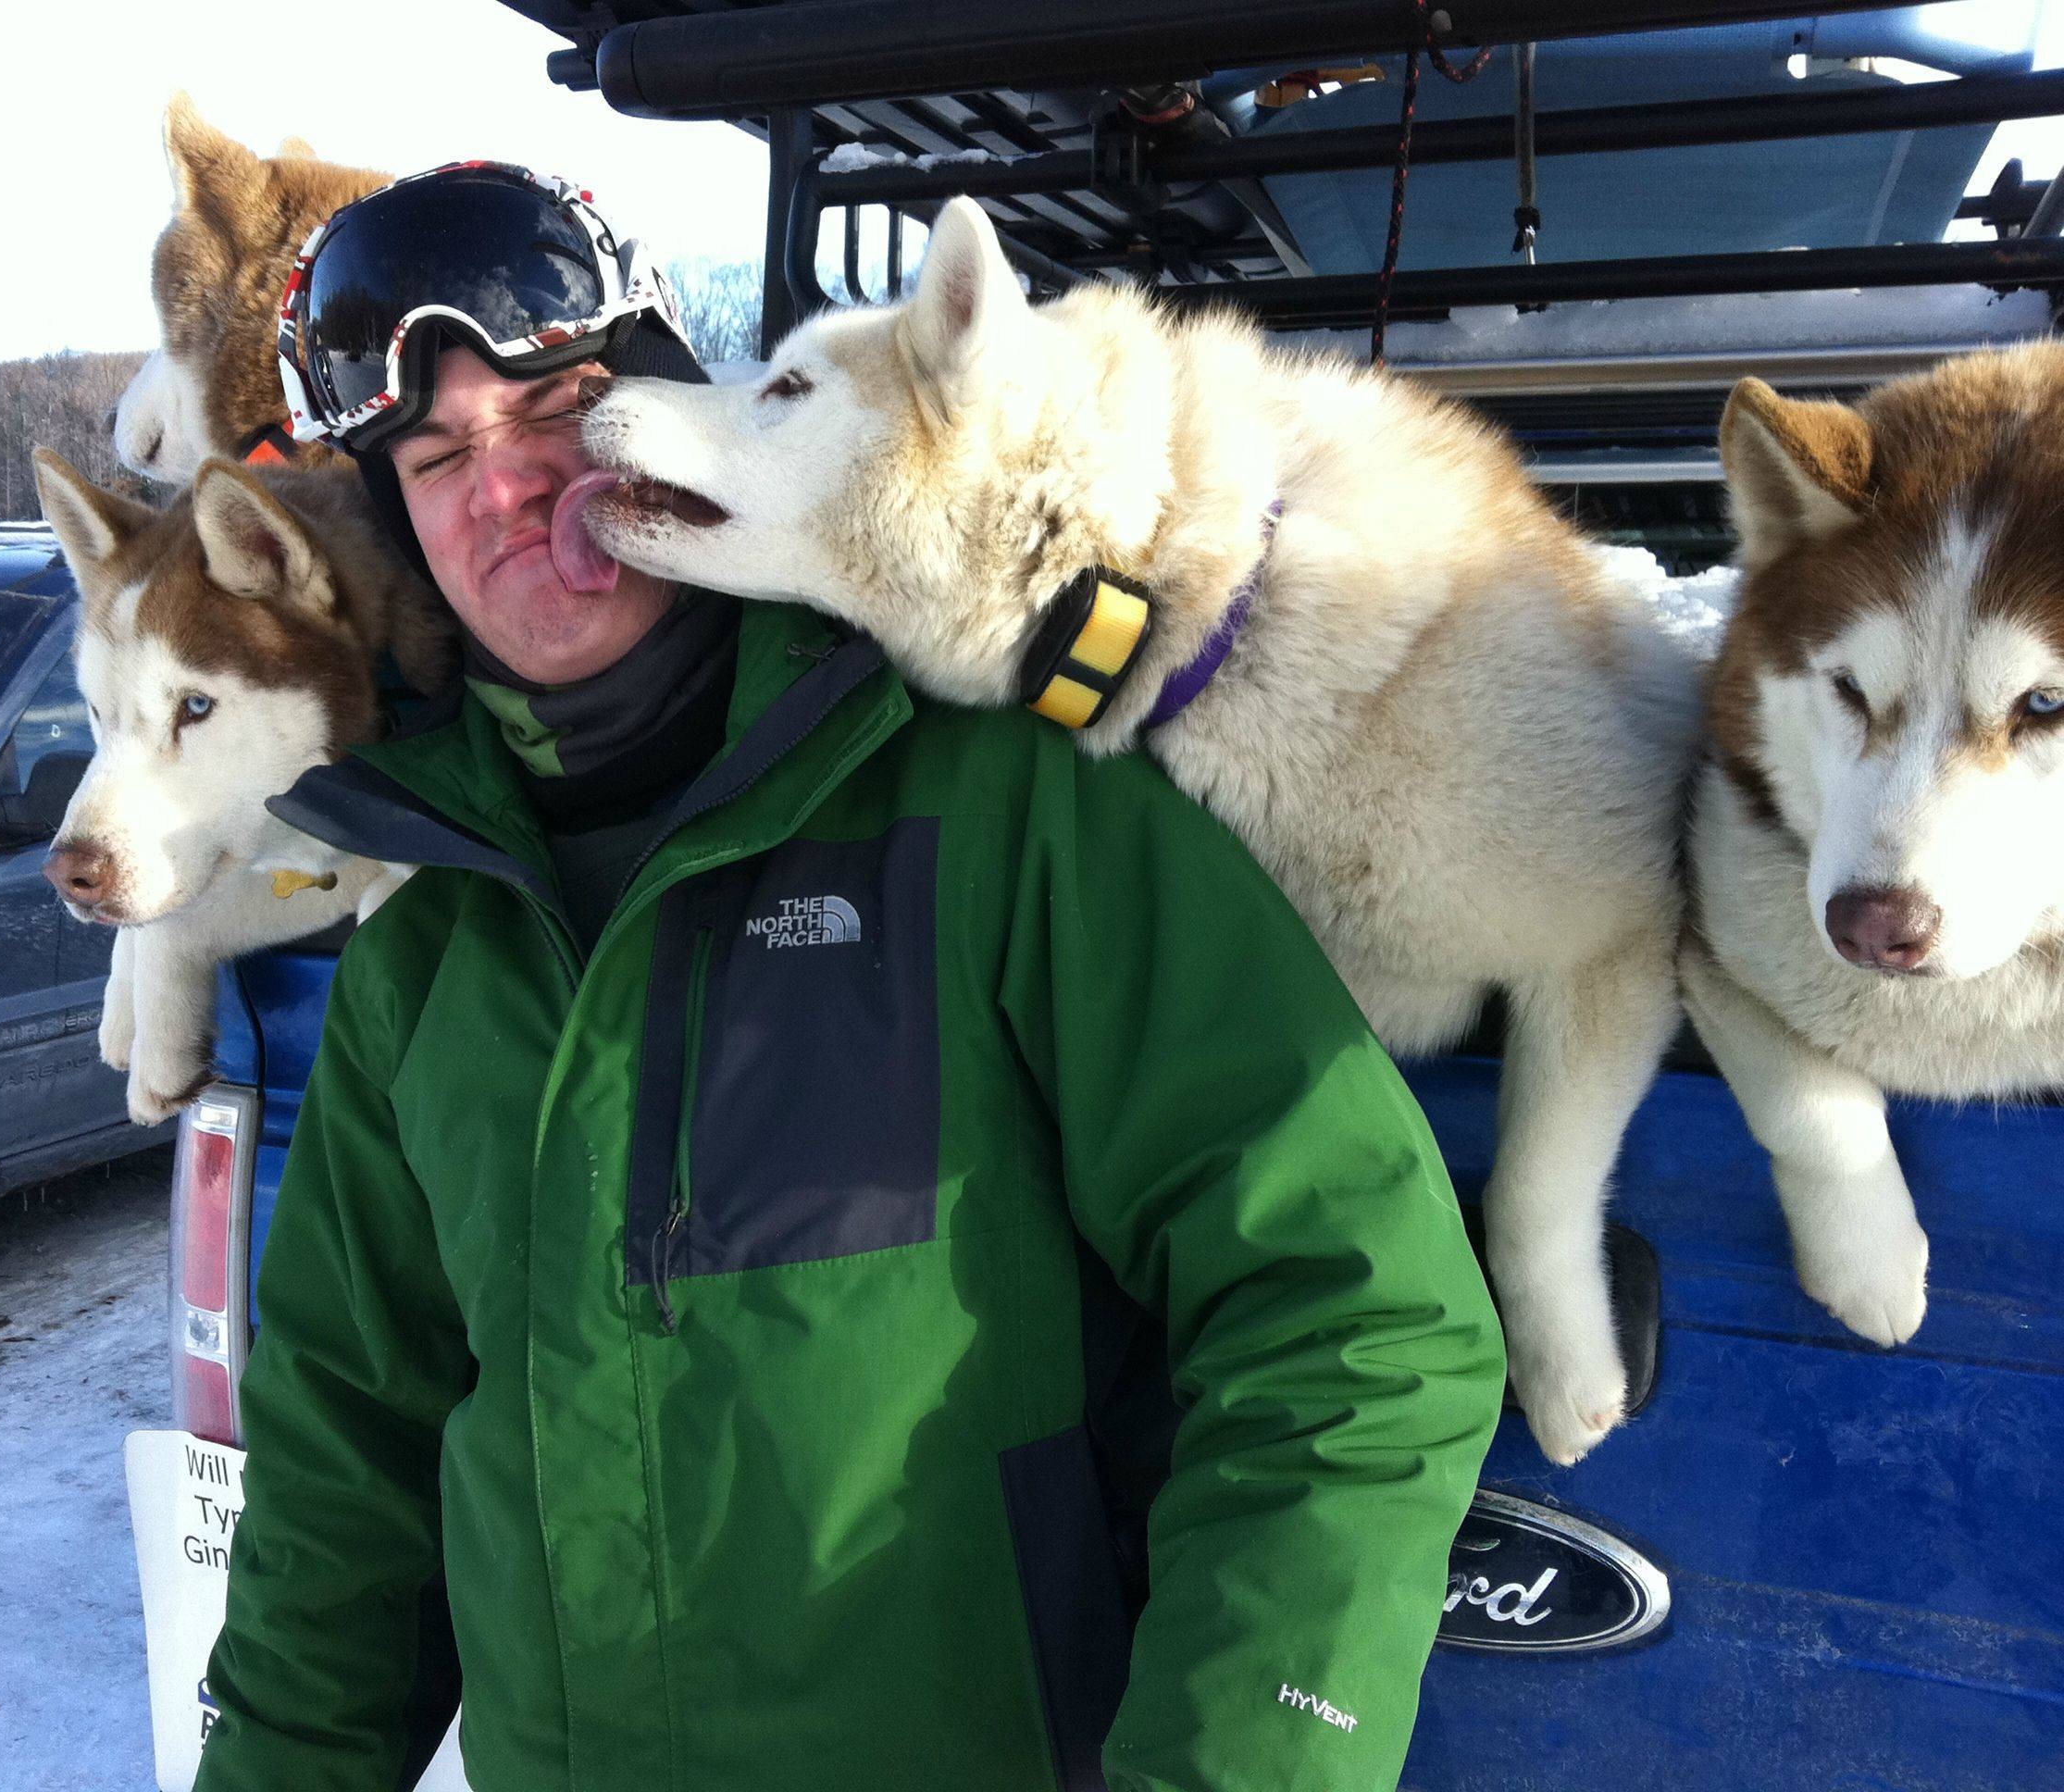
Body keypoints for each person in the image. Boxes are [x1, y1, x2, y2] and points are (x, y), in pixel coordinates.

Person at [193, 161, 1505, 1792]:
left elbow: (1356, 1320)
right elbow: (344, 1488)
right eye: (438, 457)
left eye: (553, 409)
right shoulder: (428, 959)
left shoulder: (1012, 814)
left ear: (673, 419)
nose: (508, 489)